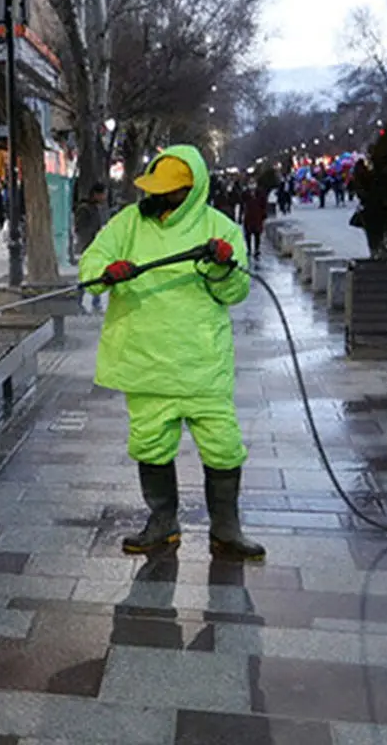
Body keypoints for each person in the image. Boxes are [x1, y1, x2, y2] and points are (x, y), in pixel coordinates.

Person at [78, 144, 265, 562]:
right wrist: (105, 274)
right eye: (158, 189)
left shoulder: (221, 228)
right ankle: (162, 522)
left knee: (223, 445)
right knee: (150, 444)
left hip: (202, 362)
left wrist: (222, 265)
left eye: (174, 190)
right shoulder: (128, 223)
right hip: (144, 359)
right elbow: (92, 265)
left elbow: (234, 292)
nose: (163, 197)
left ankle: (226, 528)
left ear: (195, 188)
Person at [74, 183, 110, 313]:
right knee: (85, 275)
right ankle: (78, 302)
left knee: (97, 274)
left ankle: (96, 302)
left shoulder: (94, 208)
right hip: (87, 247)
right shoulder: (85, 209)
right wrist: (90, 240)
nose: (104, 197)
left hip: (94, 246)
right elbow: (80, 229)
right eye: (103, 194)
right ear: (96, 194)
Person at [239, 180, 267, 260]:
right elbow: (242, 204)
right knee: (248, 234)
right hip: (248, 216)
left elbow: (264, 204)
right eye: (250, 183)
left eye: (253, 183)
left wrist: (264, 215)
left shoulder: (260, 193)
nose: (252, 185)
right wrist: (240, 215)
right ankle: (249, 249)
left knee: (257, 234)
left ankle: (257, 249)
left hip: (257, 216)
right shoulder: (245, 193)